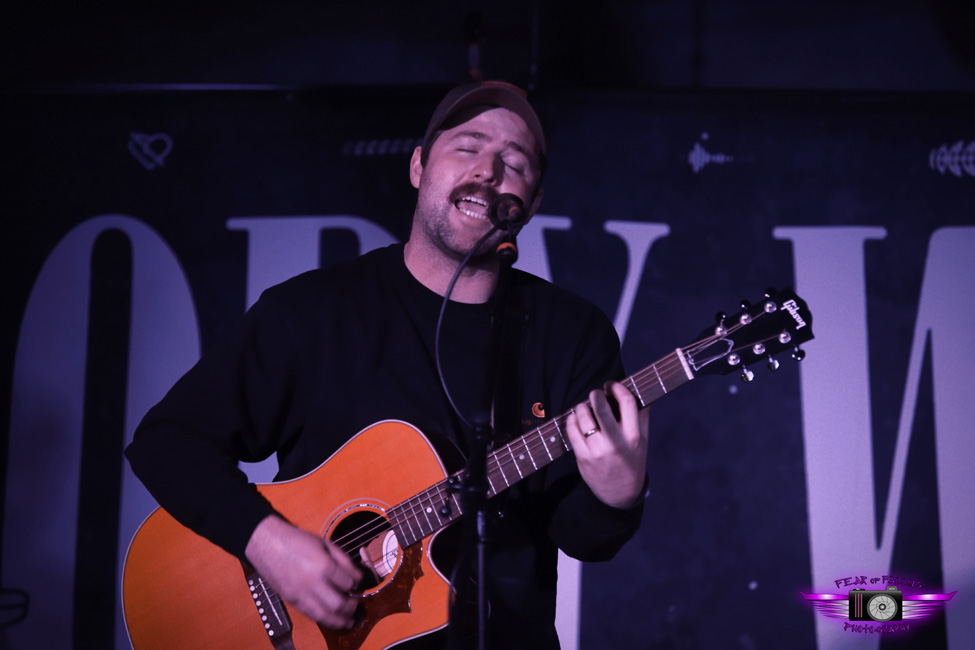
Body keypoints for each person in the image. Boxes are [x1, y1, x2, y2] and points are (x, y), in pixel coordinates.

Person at [126, 81, 649, 649]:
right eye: (467, 148)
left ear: (534, 202)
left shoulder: (572, 334)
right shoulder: (311, 312)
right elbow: (167, 441)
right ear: (420, 167)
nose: (489, 172)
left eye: (514, 163)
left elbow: (584, 536)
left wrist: (618, 492)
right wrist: (268, 543)